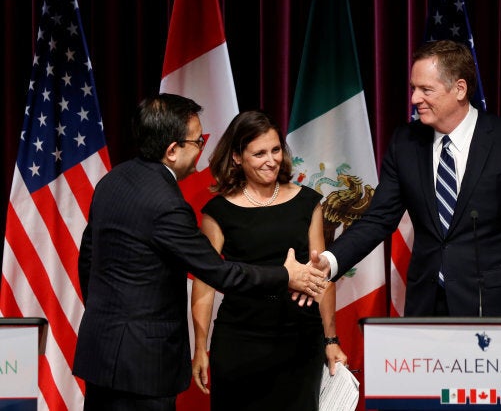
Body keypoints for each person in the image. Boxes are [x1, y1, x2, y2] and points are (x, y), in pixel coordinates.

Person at [72, 94, 327, 410]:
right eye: (198, 141)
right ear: (172, 150)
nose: (202, 150)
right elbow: (219, 272)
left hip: (101, 350)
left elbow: (88, 258)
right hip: (144, 365)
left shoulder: (112, 181)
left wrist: (108, 315)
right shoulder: (167, 204)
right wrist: (286, 275)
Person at [313, 40, 501, 318]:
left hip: (495, 309)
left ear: (459, 89)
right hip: (427, 309)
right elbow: (378, 220)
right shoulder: (405, 143)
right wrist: (329, 262)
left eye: (426, 90)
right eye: (413, 88)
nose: (414, 99)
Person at [190, 110, 347, 411]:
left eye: (275, 150)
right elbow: (205, 284)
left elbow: (322, 279)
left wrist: (331, 340)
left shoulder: (308, 202)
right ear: (237, 157)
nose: (271, 160)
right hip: (239, 344)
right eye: (259, 153)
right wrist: (200, 347)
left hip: (299, 344)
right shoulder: (218, 212)